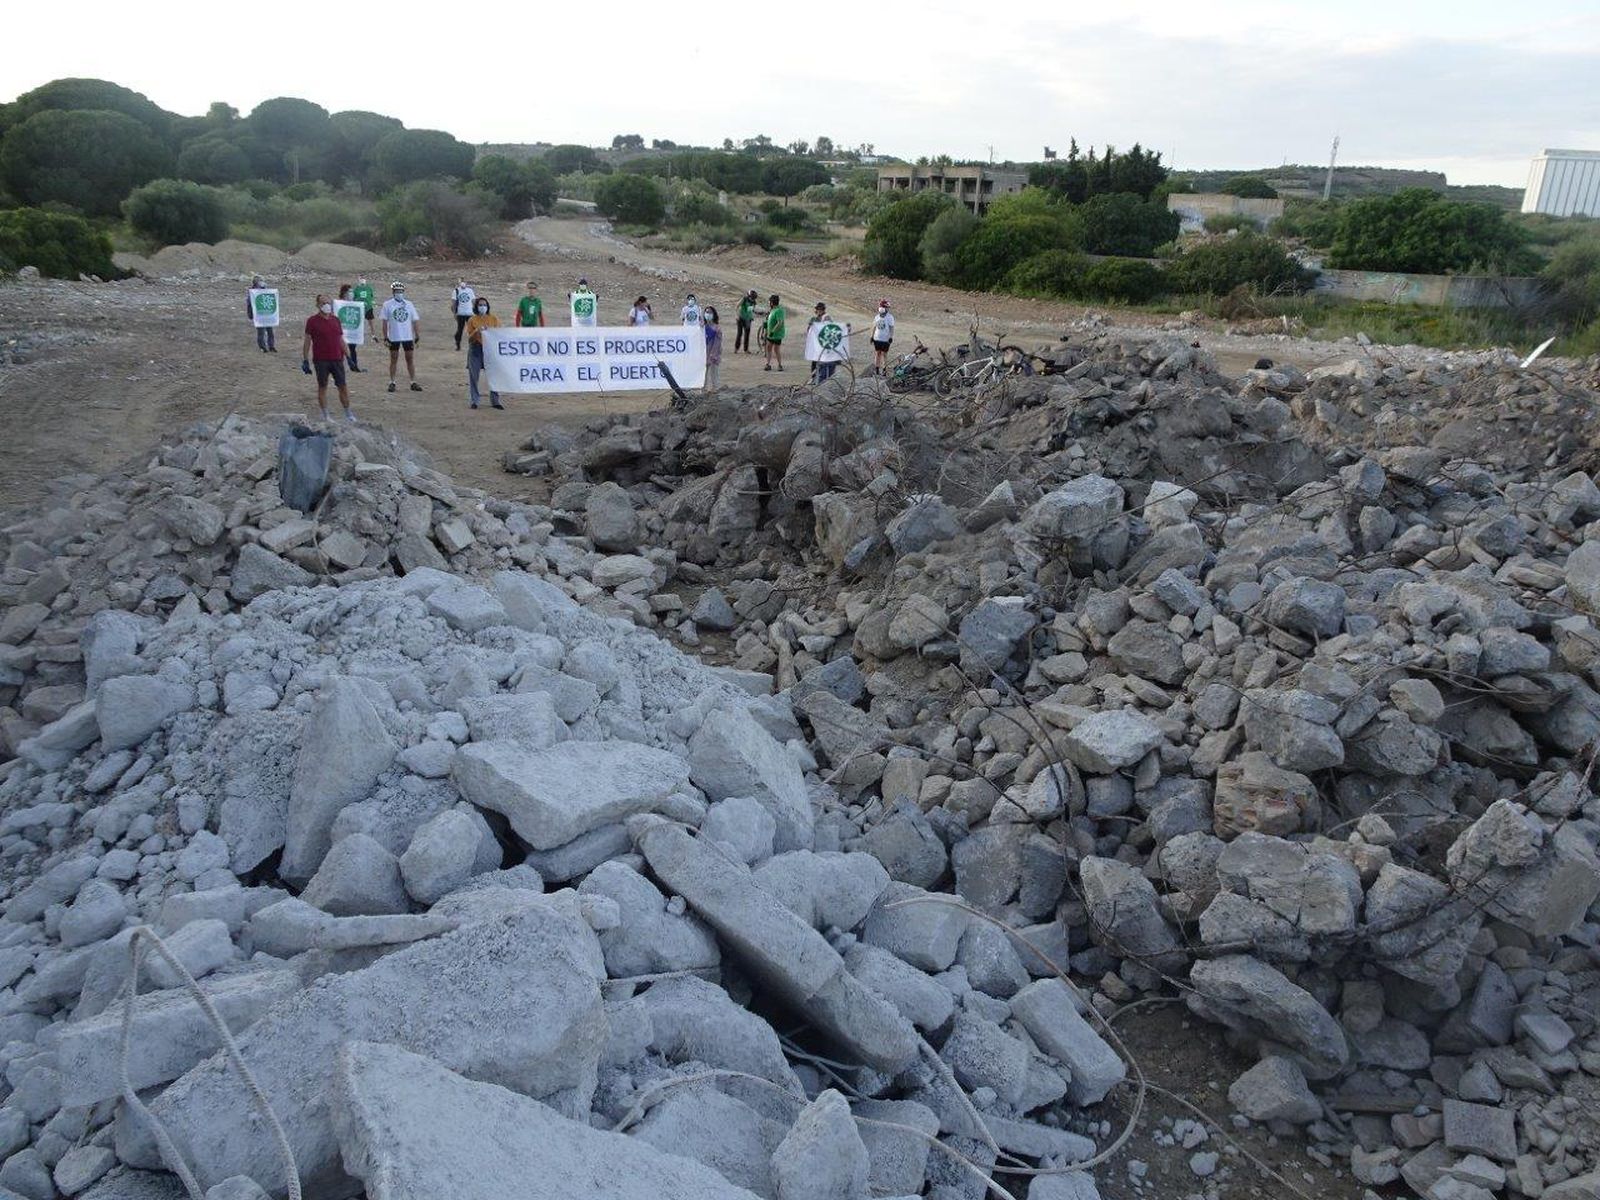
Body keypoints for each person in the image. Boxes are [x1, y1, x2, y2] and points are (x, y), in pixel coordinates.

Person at [300, 293, 354, 423]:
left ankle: (348, 414)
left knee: (343, 386)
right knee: (322, 386)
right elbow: (307, 341)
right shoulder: (312, 321)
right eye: (323, 303)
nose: (326, 305)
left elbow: (340, 340)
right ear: (317, 305)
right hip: (321, 360)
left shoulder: (336, 320)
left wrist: (348, 357)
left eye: (328, 303)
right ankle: (326, 415)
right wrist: (305, 359)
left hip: (337, 358)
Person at [380, 282, 423, 393]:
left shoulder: (409, 304)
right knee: (393, 359)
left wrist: (417, 335)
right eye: (397, 291)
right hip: (394, 336)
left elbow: (415, 320)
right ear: (393, 292)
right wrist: (385, 337)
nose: (399, 293)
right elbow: (384, 322)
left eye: (401, 291)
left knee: (410, 359)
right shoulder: (387, 304)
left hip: (407, 336)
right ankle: (392, 382)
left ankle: (413, 381)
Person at [463, 297, 504, 411]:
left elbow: (499, 334)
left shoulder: (493, 319)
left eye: (484, 305)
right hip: (475, 349)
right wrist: (476, 331)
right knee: (474, 376)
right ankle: (474, 400)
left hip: (489, 350)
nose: (482, 307)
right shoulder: (472, 320)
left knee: (493, 376)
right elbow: (469, 339)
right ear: (476, 307)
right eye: (480, 305)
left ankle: (495, 400)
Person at [337, 284, 364, 373]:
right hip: (341, 329)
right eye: (349, 292)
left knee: (352, 348)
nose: (351, 294)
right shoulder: (338, 304)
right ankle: (339, 366)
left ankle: (354, 365)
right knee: (341, 348)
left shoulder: (355, 304)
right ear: (344, 293)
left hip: (351, 329)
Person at [247, 275, 275, 353]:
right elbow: (250, 304)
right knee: (261, 332)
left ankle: (271, 346)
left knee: (270, 331)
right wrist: (251, 314)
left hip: (266, 313)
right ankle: (263, 347)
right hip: (259, 315)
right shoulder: (252, 293)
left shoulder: (264, 289)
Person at [871, 298, 895, 376]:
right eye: (887, 307)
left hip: (885, 339)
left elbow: (891, 328)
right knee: (878, 353)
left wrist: (891, 337)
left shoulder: (890, 317)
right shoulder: (877, 317)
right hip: (877, 338)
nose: (888, 309)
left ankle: (884, 370)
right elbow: (874, 327)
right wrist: (872, 336)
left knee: (884, 354)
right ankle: (877, 369)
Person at [450, 279, 476, 350]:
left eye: (463, 282)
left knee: (471, 329)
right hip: (460, 313)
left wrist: (475, 311)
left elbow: (473, 301)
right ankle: (458, 344)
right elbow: (454, 303)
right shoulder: (456, 291)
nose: (463, 283)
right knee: (460, 329)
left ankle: (473, 344)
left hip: (469, 313)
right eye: (461, 282)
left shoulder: (470, 291)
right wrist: (455, 313)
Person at [763, 294, 785, 372]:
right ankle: (768, 364)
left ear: (772, 302)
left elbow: (780, 323)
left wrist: (773, 331)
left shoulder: (779, 311)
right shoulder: (772, 310)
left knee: (776, 349)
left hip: (776, 334)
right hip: (770, 334)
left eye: (770, 302)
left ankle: (779, 365)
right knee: (769, 348)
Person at [703, 306, 722, 393]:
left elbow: (717, 344)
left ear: (714, 315)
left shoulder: (717, 328)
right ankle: (704, 389)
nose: (708, 314)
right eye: (706, 312)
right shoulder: (702, 327)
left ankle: (715, 390)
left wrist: (712, 356)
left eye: (710, 312)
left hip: (713, 355)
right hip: (703, 354)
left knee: (714, 374)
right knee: (703, 375)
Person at [352, 274, 377, 339]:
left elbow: (371, 296)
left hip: (368, 307)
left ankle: (373, 334)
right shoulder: (356, 289)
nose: (362, 279)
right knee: (359, 321)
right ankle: (357, 333)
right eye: (361, 278)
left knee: (371, 321)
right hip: (359, 308)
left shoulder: (369, 288)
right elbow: (354, 298)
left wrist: (372, 302)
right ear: (358, 280)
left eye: (363, 278)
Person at [735, 289, 757, 354]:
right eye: (752, 298)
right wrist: (737, 314)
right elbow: (737, 305)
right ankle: (736, 348)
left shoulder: (754, 302)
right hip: (741, 318)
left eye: (754, 298)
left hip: (748, 319)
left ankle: (746, 349)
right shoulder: (744, 299)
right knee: (739, 333)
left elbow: (751, 310)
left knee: (747, 335)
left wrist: (752, 316)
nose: (753, 299)